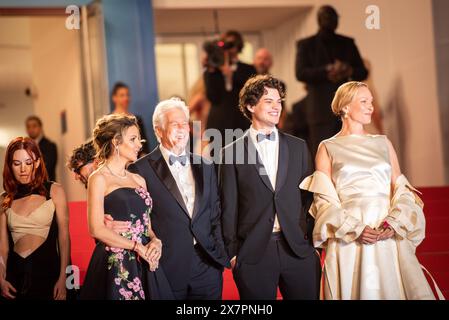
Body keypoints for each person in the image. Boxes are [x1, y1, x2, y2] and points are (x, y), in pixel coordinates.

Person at [300, 81, 440, 300]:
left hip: (386, 232)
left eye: (371, 102)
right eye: (363, 101)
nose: (371, 107)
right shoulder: (327, 147)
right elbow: (324, 200)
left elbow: (401, 188)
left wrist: (394, 222)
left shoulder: (383, 143)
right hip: (349, 236)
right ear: (345, 107)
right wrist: (354, 228)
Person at [219, 75, 320, 300]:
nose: (277, 107)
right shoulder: (230, 152)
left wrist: (312, 244)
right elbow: (229, 206)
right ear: (250, 105)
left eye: (279, 101)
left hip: (298, 251)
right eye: (268, 101)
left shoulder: (299, 147)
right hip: (254, 254)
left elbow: (309, 199)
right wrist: (234, 254)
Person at [129, 98, 229, 300]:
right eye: (175, 124)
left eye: (185, 123)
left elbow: (215, 214)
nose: (182, 129)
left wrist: (219, 254)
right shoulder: (140, 169)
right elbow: (137, 220)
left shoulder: (206, 166)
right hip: (166, 266)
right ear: (158, 130)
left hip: (208, 266)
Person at [80, 114, 173, 300]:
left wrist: (156, 241)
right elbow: (96, 229)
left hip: (146, 260)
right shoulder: (98, 178)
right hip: (117, 263)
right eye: (133, 139)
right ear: (116, 142)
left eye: (139, 138)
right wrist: (137, 247)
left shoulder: (138, 179)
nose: (139, 144)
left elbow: (146, 226)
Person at [295, 5, 368, 160]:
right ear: (319, 20)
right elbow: (300, 73)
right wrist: (327, 70)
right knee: (323, 153)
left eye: (334, 18)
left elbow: (362, 71)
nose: (332, 21)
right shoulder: (307, 44)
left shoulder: (347, 43)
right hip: (320, 109)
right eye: (328, 17)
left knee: (351, 153)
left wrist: (348, 70)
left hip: (347, 106)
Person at [0, 137, 70, 300]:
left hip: (47, 270)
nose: (23, 169)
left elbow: (64, 237)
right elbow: (3, 248)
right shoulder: (5, 199)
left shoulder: (54, 190)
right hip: (15, 274)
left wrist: (64, 278)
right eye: (17, 164)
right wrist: (1, 279)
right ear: (10, 166)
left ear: (37, 163)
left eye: (28, 162)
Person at [66, 139, 129, 235]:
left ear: (95, 161)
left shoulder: (126, 177)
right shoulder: (97, 187)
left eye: (78, 170)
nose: (76, 177)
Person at [204, 30, 257, 141]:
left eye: (231, 44)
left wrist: (231, 75)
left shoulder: (248, 69)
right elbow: (212, 97)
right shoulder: (212, 72)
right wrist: (213, 70)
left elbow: (252, 93)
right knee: (218, 158)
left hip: (242, 123)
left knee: (244, 156)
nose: (228, 49)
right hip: (218, 126)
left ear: (239, 46)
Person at [111, 82, 150, 155]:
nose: (126, 98)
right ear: (114, 98)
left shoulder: (137, 119)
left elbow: (144, 147)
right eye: (122, 95)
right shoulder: (109, 121)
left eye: (127, 95)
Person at [26, 116, 58, 181]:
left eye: (34, 126)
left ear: (40, 127)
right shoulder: (25, 147)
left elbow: (46, 168)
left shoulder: (50, 146)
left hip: (47, 186)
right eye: (28, 127)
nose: (31, 129)